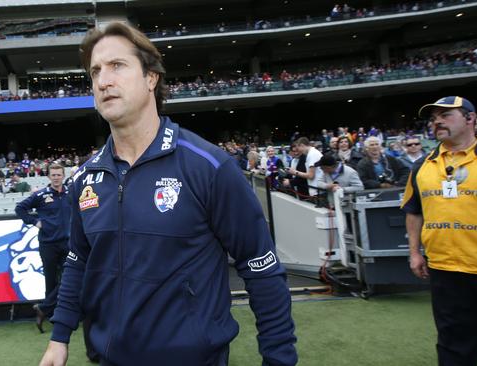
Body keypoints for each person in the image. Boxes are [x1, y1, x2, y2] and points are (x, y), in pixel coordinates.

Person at [40, 22, 296, 366]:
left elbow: (261, 269)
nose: (103, 81)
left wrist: (278, 360)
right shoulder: (86, 177)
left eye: (117, 66)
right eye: (95, 72)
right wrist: (59, 338)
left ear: (151, 78)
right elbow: (78, 262)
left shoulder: (209, 167)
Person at [402, 96, 477, 366]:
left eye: (446, 115)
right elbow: (414, 211)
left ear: (471, 119)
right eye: (434, 117)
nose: (436, 121)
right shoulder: (422, 165)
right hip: (445, 270)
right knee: (453, 344)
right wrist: (414, 253)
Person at [15, 163, 72, 334]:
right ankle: (53, 316)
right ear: (48, 177)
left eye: (59, 174)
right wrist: (35, 222)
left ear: (63, 175)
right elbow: (20, 208)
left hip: (68, 243)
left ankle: (43, 308)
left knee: (68, 279)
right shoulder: (40, 195)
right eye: (53, 175)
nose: (56, 177)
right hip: (48, 244)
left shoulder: (71, 192)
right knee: (51, 281)